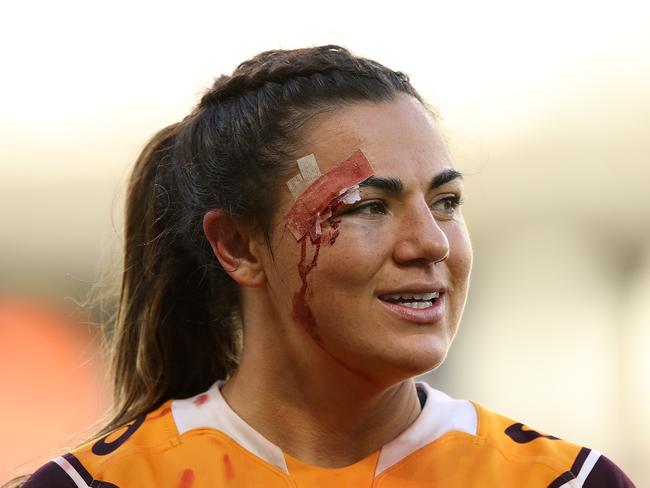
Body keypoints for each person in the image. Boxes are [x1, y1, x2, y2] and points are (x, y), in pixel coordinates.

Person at [12, 45, 635, 487]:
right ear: (238, 246)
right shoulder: (104, 484)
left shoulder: (563, 481)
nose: (431, 243)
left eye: (445, 202)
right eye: (368, 206)